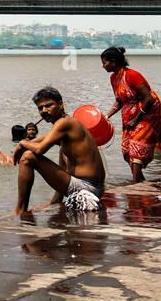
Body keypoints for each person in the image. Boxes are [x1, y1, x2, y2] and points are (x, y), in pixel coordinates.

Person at [13, 86, 107, 215]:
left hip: (87, 188)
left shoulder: (64, 123)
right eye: (40, 108)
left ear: (61, 104)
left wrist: (23, 143)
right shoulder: (69, 124)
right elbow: (45, 138)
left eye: (48, 105)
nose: (44, 110)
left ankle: (20, 210)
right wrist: (23, 144)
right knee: (60, 155)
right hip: (95, 188)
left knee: (28, 157)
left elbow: (40, 149)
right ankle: (56, 200)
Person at [100, 46, 161, 183]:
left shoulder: (132, 75)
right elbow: (119, 101)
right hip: (129, 114)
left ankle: (135, 184)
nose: (103, 66)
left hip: (148, 112)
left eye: (104, 62)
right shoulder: (113, 78)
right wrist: (106, 116)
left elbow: (149, 99)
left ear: (113, 62)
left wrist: (136, 119)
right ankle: (141, 181)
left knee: (137, 147)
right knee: (127, 151)